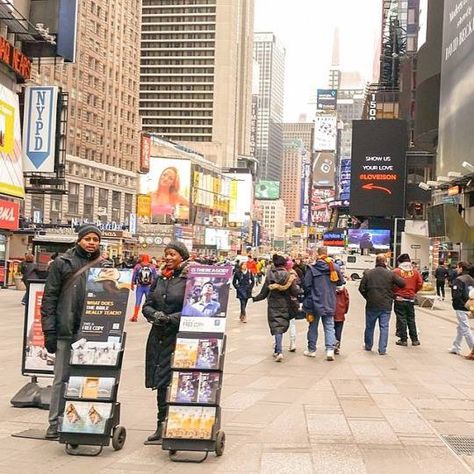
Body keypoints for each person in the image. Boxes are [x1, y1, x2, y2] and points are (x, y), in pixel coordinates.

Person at [40, 224, 104, 439]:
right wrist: (49, 330)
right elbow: (49, 298)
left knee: (89, 379)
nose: (92, 242)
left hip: (93, 332)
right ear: (79, 240)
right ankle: (56, 422)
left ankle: (83, 419)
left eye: (95, 239)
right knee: (61, 379)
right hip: (66, 329)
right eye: (88, 238)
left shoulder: (105, 264)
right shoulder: (62, 263)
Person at [142, 241, 191, 443]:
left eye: (173, 254)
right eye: (166, 254)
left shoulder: (190, 277)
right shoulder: (160, 277)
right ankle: (161, 425)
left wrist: (171, 319)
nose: (169, 258)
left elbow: (194, 306)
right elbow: (147, 304)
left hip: (180, 336)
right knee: (161, 381)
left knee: (179, 380)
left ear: (182, 256)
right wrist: (155, 315)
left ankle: (178, 424)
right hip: (159, 336)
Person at [253, 254, 300, 362]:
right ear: (284, 264)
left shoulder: (270, 276)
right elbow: (295, 291)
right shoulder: (288, 276)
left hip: (273, 304)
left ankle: (278, 351)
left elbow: (264, 292)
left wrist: (254, 298)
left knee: (276, 326)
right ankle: (278, 350)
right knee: (281, 326)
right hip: (285, 304)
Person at [302, 247, 344, 361]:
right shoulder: (334, 267)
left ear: (317, 254)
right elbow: (340, 282)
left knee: (313, 326)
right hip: (329, 300)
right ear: (327, 254)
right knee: (329, 326)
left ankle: (311, 350)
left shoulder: (312, 268)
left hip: (314, 302)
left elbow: (306, 285)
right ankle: (330, 350)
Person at [359, 255, 405, 355]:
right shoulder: (390, 274)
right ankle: (382, 349)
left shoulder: (368, 273)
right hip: (386, 304)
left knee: (369, 326)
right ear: (385, 262)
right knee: (384, 327)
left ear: (376, 262)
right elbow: (402, 283)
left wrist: (368, 297)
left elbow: (361, 288)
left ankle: (368, 346)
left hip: (371, 304)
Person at [393, 254, 423, 347]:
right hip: (410, 299)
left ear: (400, 262)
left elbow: (391, 284)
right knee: (411, 319)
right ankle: (415, 340)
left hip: (399, 298)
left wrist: (394, 292)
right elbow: (420, 284)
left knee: (401, 319)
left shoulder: (396, 271)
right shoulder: (415, 272)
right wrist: (413, 291)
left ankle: (403, 339)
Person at [450, 262, 474, 355]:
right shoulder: (472, 279)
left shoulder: (459, 280)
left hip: (461, 306)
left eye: (457, 267)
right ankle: (456, 346)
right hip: (470, 305)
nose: (456, 269)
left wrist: (457, 304)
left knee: (465, 328)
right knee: (461, 327)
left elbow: (456, 295)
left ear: (461, 268)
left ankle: (473, 348)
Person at [130, 255, 157, 322]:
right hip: (149, 287)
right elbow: (155, 277)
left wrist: (132, 284)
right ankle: (151, 317)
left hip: (140, 286)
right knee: (149, 302)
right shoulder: (152, 266)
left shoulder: (138, 266)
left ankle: (135, 316)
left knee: (138, 301)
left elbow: (134, 276)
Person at [334, 285, 350, 355]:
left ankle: (330, 344)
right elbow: (347, 301)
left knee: (329, 329)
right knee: (339, 330)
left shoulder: (330, 288)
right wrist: (345, 311)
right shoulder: (344, 290)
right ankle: (337, 346)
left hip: (331, 311)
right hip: (341, 312)